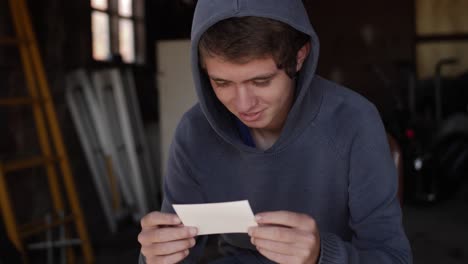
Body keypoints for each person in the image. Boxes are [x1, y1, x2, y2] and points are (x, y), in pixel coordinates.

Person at [138, 0, 412, 263]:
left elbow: (393, 257)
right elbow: (173, 247)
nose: (243, 104)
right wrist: (158, 257)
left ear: (299, 56)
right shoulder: (194, 133)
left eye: (261, 81)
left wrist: (321, 256)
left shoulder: (354, 121)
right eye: (221, 82)